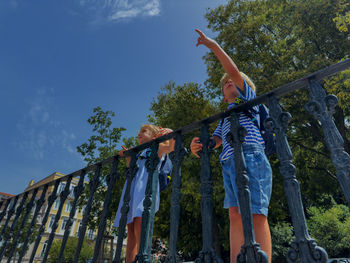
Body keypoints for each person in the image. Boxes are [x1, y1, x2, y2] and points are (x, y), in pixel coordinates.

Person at [190, 29, 272, 263]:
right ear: (224, 97)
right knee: (235, 216)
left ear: (243, 87)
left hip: (250, 157)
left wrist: (213, 45)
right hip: (228, 162)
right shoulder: (226, 116)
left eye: (231, 81)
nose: (227, 82)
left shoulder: (248, 100)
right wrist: (200, 146)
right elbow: (215, 141)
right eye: (224, 83)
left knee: (255, 213)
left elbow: (233, 71)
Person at [114, 124, 174, 263]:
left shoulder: (157, 147)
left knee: (141, 226)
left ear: (154, 135)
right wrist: (128, 157)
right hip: (132, 191)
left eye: (144, 131)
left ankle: (143, 259)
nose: (139, 134)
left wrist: (167, 132)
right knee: (131, 229)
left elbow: (171, 146)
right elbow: (131, 170)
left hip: (145, 191)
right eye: (139, 132)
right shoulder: (138, 152)